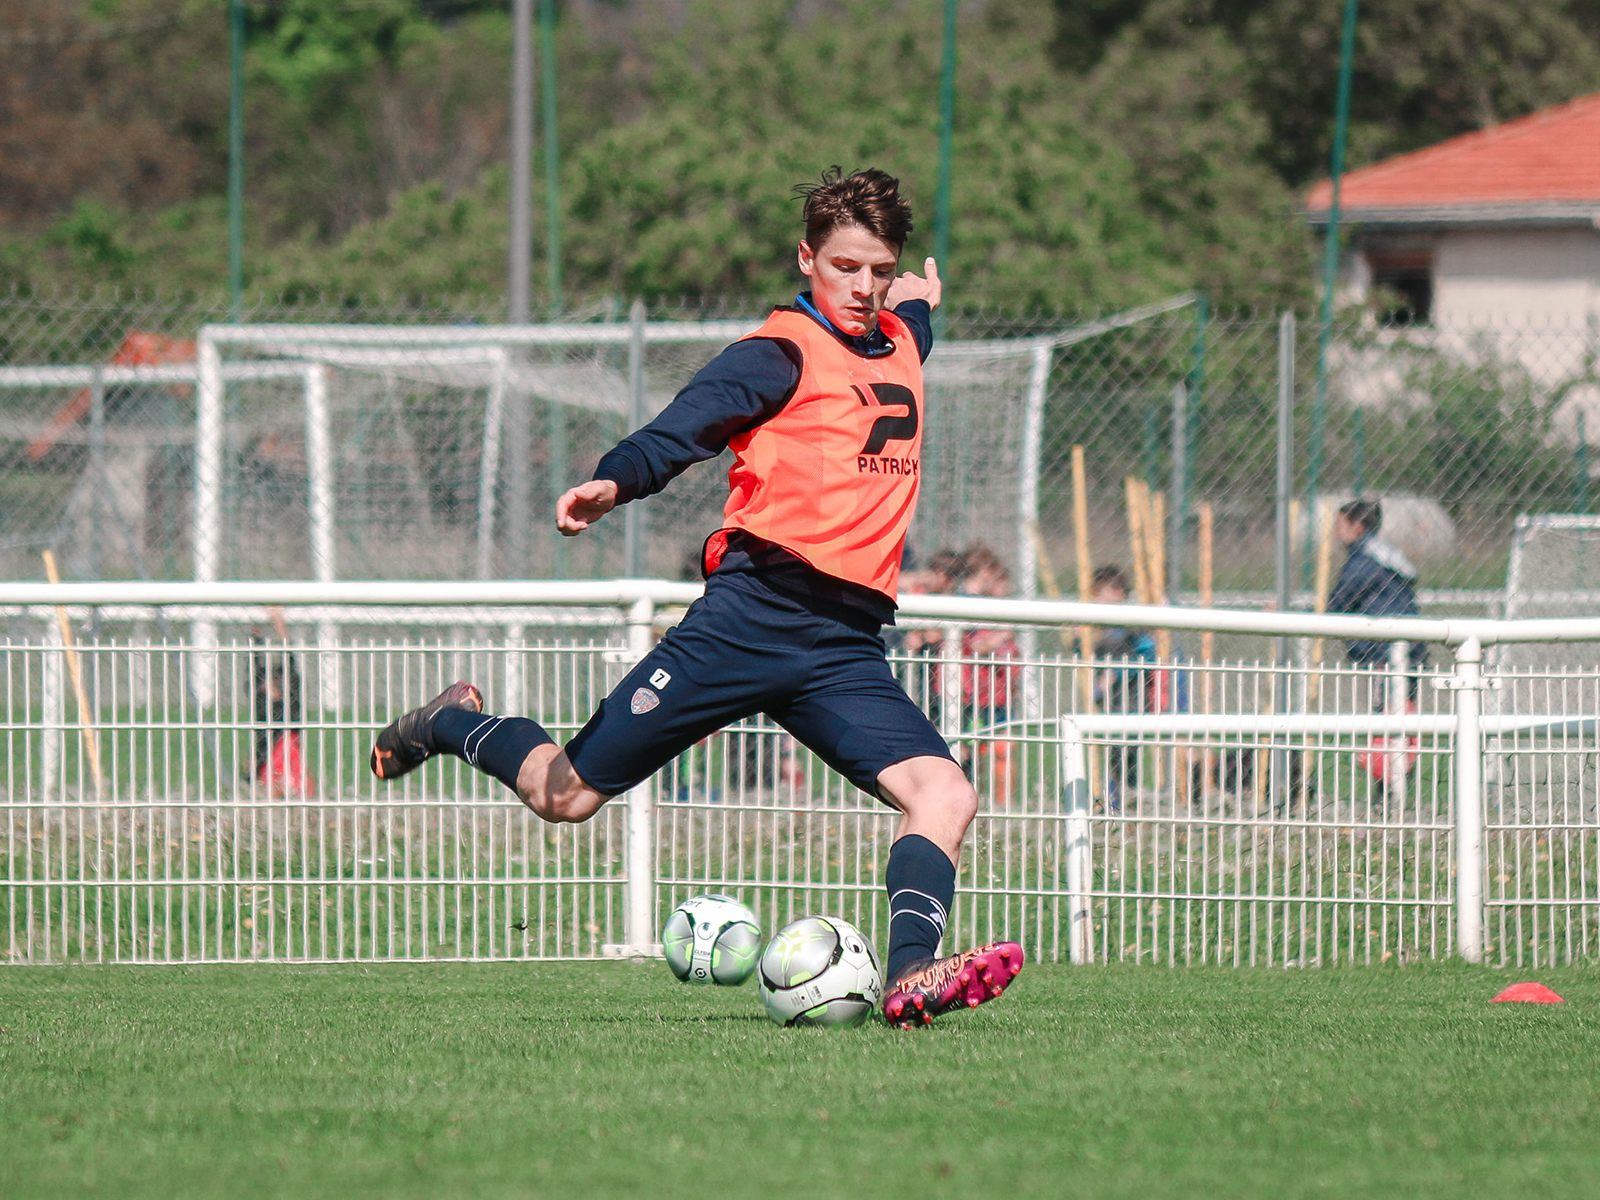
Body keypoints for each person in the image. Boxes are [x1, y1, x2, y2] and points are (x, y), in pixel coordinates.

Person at [368, 168, 1021, 1028]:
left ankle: (910, 977)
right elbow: (686, 425)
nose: (862, 287)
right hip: (748, 621)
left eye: (877, 269)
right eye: (843, 267)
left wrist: (920, 299)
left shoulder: (899, 333)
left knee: (945, 794)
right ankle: (450, 722)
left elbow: (906, 324)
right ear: (806, 259)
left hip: (843, 646)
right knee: (564, 797)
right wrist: (613, 480)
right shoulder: (776, 352)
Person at [1326, 499, 1427, 679]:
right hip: (1404, 646)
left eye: (1340, 526)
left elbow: (1337, 603)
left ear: (1357, 527)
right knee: (1400, 704)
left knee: (1387, 704)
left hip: (1383, 651)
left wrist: (1290, 611)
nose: (1336, 533)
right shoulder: (1383, 555)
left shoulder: (1364, 562)